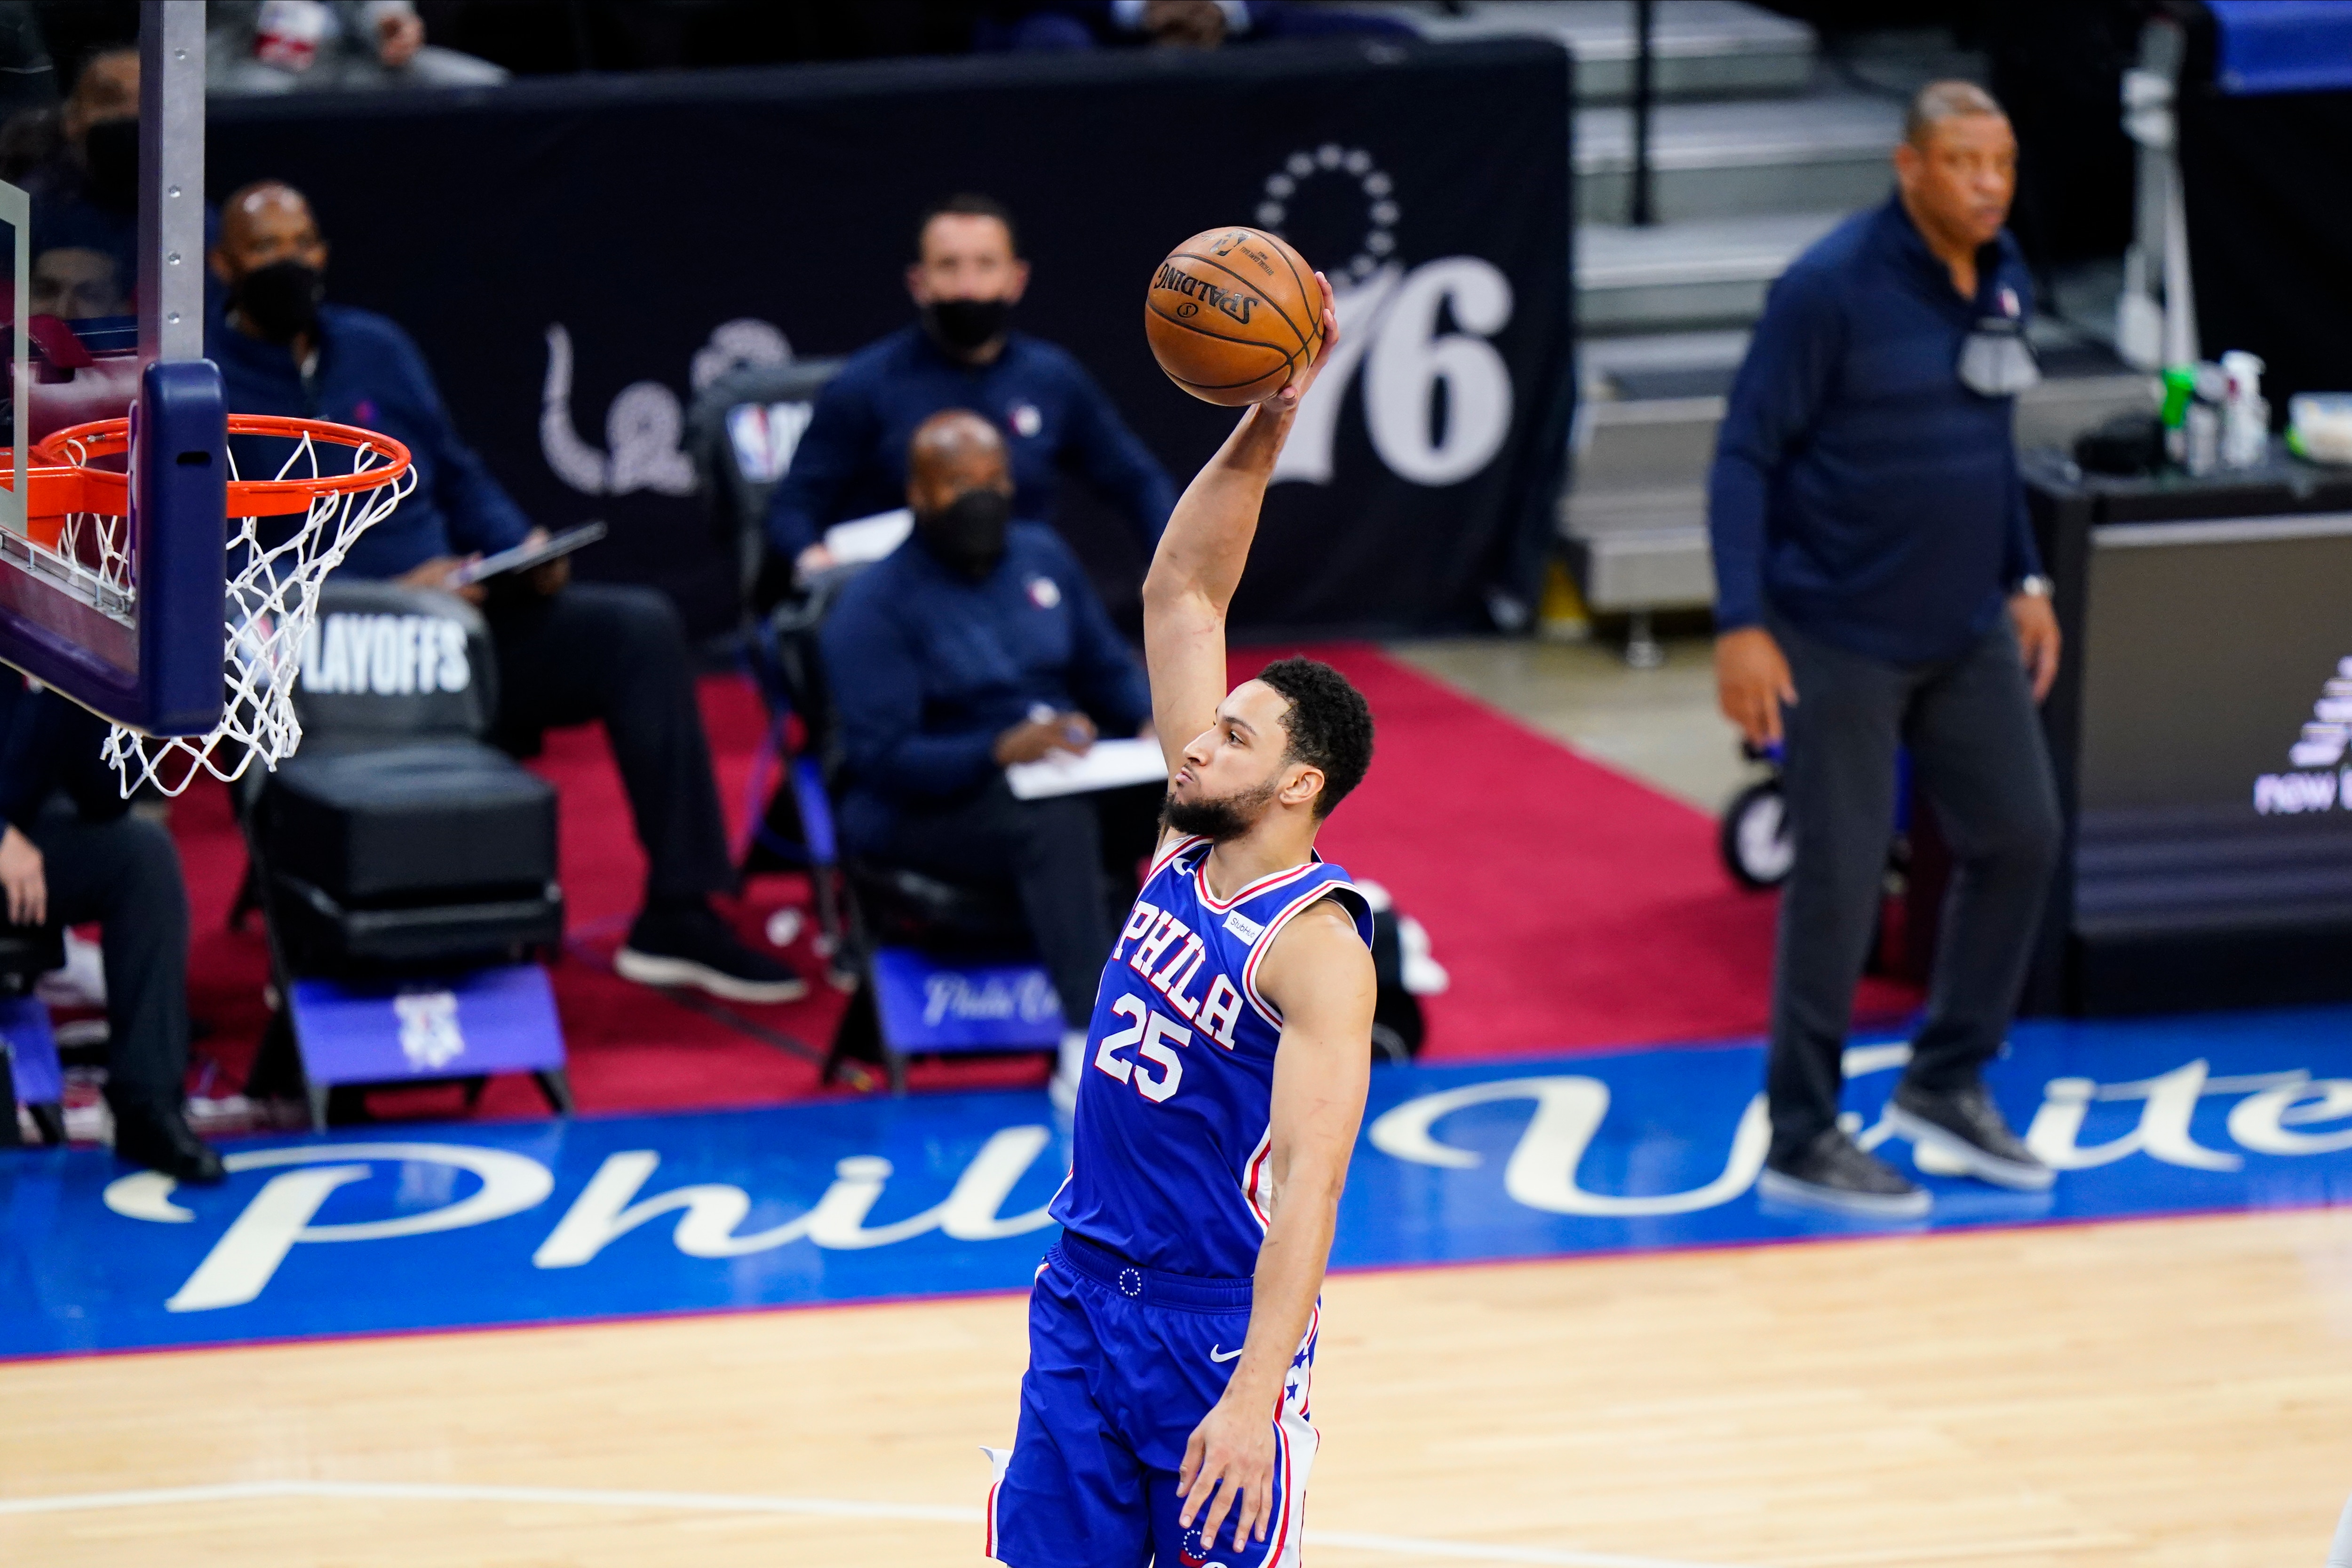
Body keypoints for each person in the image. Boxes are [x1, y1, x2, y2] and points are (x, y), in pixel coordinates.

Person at [986, 269, 1379, 1568]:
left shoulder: (1317, 947)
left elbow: (1311, 1192)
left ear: (1298, 783)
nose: (1196, 740)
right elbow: (1184, 595)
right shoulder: (1181, 835)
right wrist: (1269, 416)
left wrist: (1252, 1394)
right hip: (1086, 1295)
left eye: (1231, 733)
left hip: (1214, 1327)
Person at [207, 181, 805, 1005]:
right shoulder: (199, 382)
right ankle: (316, 937)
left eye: (303, 243)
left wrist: (516, 547)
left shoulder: (377, 345)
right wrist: (384, 595)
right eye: (266, 248)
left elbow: (455, 471)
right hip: (319, 659)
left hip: (459, 628)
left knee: (637, 628)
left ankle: (681, 909)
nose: (291, 263)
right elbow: (212, 574)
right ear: (223, 265)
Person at [1707, 80, 2064, 1219]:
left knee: (2021, 836)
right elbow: (1742, 457)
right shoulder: (1829, 289)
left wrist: (2024, 575)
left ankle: (1945, 1082)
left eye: (2002, 163)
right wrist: (1740, 622)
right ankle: (1803, 1131)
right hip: (1836, 633)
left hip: (1965, 627)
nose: (1988, 185)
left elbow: (1989, 433)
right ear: (1909, 167)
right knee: (1842, 884)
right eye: (1964, 163)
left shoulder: (2002, 272)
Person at [821, 409, 1160, 1101]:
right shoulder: (873, 605)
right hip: (922, 806)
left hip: (1058, 771)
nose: (981, 496)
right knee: (1051, 819)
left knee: (1197, 793)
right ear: (918, 494)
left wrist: (1151, 721)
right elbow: (883, 760)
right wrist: (997, 750)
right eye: (958, 483)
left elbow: (1104, 666)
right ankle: (1088, 1041)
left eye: (993, 478)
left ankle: (1218, 1010)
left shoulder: (1042, 555)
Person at [764, 193, 1174, 585]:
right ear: (918, 282)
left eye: (985, 265)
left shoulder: (1053, 377)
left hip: (1023, 597)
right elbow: (794, 507)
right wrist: (817, 564)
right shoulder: (862, 384)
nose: (967, 287)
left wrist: (1175, 569)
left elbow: (1136, 480)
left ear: (1017, 279)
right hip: (905, 601)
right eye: (948, 266)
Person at [0, 673, 221, 1183]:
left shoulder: (50, 640)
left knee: (141, 855)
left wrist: (110, 691)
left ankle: (147, 1107)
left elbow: (103, 797)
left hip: (23, 837)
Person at [207, 1, 509, 94]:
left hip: (352, 62)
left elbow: (377, 8)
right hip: (249, 64)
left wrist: (389, 23)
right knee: (263, 96)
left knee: (488, 88)